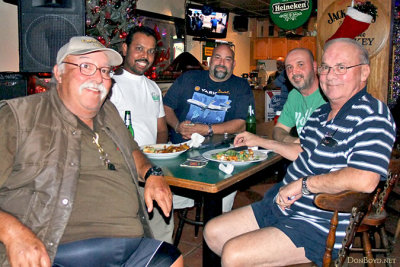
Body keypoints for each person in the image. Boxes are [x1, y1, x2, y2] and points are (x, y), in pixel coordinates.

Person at [203, 38, 396, 266]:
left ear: (364, 73)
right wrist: (260, 141)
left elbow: (365, 179)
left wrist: (303, 184)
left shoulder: (372, 114)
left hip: (320, 219)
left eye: (342, 67)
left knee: (233, 255)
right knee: (213, 231)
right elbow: (302, 152)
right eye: (326, 67)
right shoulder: (321, 113)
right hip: (283, 204)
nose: (330, 75)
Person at [0, 36, 183, 267]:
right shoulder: (20, 117)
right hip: (57, 250)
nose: (98, 78)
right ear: (59, 73)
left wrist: (151, 173)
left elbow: (132, 151)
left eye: (105, 70)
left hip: (130, 245)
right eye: (86, 67)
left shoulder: (110, 113)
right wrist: (12, 233)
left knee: (171, 259)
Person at [163, 43, 254, 212]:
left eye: (227, 59)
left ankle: (216, 225)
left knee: (219, 208)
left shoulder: (241, 86)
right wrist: (177, 126)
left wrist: (207, 129)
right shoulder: (189, 78)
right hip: (181, 153)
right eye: (217, 57)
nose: (221, 63)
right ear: (210, 61)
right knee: (164, 200)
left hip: (220, 154)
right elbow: (166, 107)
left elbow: (241, 123)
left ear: (233, 65)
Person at [110, 26, 173, 244]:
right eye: (139, 49)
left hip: (151, 170)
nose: (145, 56)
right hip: (122, 171)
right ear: (125, 48)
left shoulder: (153, 87)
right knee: (129, 235)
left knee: (162, 229)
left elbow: (162, 129)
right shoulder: (109, 83)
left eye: (151, 51)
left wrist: (156, 158)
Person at [273, 48, 326, 143]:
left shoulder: (328, 95)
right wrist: (294, 141)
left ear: (314, 66)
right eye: (289, 67)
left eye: (300, 65)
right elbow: (279, 129)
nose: (294, 72)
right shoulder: (294, 95)